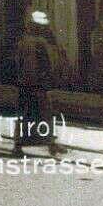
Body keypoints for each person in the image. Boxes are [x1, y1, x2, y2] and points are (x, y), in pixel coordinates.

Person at [13, 11, 64, 157]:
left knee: (23, 113)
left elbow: (17, 63)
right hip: (39, 84)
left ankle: (18, 144)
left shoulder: (22, 41)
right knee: (45, 112)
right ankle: (50, 143)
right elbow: (48, 64)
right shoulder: (42, 43)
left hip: (24, 82)